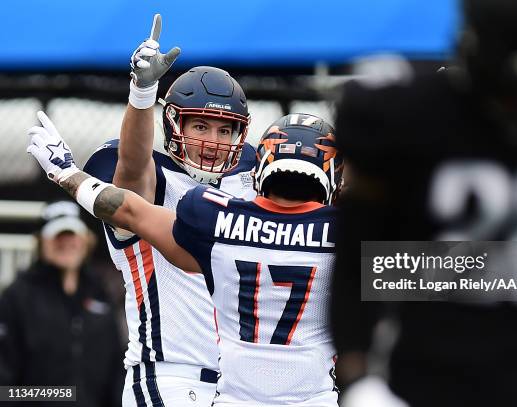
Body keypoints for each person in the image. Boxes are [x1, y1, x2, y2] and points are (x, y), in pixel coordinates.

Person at [331, 0, 517, 406]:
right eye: (513, 84)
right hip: (417, 376)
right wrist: (359, 379)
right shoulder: (407, 114)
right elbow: (358, 264)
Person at [27, 111, 343, 406]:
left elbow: (129, 210)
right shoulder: (349, 233)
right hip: (314, 399)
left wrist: (66, 173)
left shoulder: (219, 220)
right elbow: (389, 291)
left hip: (235, 398)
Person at [82, 15, 257, 406]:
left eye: (224, 130)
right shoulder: (157, 179)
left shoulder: (250, 185)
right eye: (201, 126)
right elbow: (130, 167)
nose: (213, 141)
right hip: (171, 377)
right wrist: (143, 93)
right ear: (174, 123)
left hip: (243, 386)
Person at [0, 201, 123, 407]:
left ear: (86, 240)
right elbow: (5, 390)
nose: (66, 243)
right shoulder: (17, 297)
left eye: (72, 235)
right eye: (58, 236)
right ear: (41, 242)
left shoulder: (101, 294)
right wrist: (61, 396)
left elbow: (116, 375)